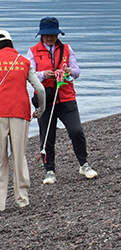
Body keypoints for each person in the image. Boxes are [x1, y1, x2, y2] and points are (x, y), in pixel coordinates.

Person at [28, 17, 98, 185]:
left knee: (76, 131)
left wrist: (68, 71)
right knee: (47, 137)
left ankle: (84, 165)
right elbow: (29, 74)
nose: (50, 38)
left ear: (58, 34)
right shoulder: (32, 51)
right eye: (47, 35)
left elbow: (77, 72)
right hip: (46, 100)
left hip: (66, 98)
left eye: (53, 34)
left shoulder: (67, 49)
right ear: (41, 35)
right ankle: (49, 171)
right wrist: (44, 74)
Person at [0, 30, 45, 211]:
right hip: (20, 112)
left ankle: (1, 203)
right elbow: (40, 89)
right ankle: (22, 199)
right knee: (19, 157)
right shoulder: (24, 62)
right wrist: (40, 110)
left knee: (0, 159)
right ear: (11, 43)